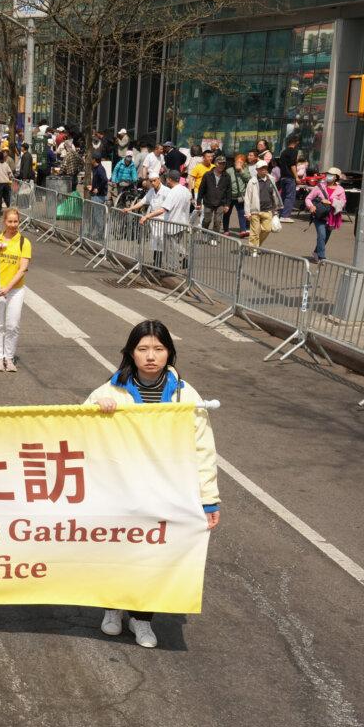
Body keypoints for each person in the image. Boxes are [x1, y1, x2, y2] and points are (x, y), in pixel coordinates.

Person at [87, 319, 221, 648]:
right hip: (120, 491)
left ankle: (143, 618)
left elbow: (203, 449)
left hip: (167, 491)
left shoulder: (187, 396)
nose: (151, 356)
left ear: (169, 353)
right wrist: (94, 409)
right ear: (131, 353)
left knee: (154, 555)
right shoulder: (111, 390)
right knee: (118, 549)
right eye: (143, 349)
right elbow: (78, 428)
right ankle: (112, 609)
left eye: (158, 349)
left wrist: (209, 500)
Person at [0, 207, 31, 372]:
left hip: (15, 290)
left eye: (16, 221)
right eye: (10, 221)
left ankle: (9, 357)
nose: (13, 225)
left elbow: (22, 269)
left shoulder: (24, 242)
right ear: (4, 222)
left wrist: (8, 287)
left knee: (12, 325)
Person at [304, 167, 346, 263]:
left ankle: (316, 252)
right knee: (322, 235)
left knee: (326, 236)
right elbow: (308, 198)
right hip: (319, 215)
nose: (329, 176)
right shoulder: (319, 186)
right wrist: (311, 206)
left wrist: (331, 201)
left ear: (336, 177)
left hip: (332, 217)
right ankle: (322, 257)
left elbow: (343, 203)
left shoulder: (340, 190)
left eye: (331, 174)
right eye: (328, 173)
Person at [244, 160, 281, 254]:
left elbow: (274, 195)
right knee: (255, 231)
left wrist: (275, 209)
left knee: (267, 229)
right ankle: (253, 249)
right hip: (255, 210)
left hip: (268, 210)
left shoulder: (271, 179)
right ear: (257, 170)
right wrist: (247, 212)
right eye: (261, 169)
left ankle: (255, 246)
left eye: (265, 168)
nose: (264, 170)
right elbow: (247, 198)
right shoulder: (252, 181)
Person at [196, 156, 232, 240]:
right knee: (207, 220)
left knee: (218, 221)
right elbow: (201, 189)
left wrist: (227, 205)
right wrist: (198, 202)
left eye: (223, 164)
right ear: (215, 163)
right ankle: (205, 232)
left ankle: (214, 238)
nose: (221, 165)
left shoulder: (227, 176)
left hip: (221, 202)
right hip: (208, 201)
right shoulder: (207, 175)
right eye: (220, 163)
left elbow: (229, 191)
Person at [275, 135, 300, 220]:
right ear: (296, 142)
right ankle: (285, 216)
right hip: (290, 177)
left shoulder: (283, 152)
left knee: (283, 195)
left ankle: (281, 213)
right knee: (290, 197)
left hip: (283, 176)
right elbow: (292, 164)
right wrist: (296, 177)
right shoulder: (294, 151)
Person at [228, 153, 250, 238]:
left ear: (244, 163)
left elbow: (248, 178)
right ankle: (226, 229)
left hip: (241, 196)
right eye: (237, 162)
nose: (238, 163)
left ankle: (243, 230)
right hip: (230, 195)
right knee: (227, 213)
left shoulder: (245, 169)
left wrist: (241, 170)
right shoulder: (229, 170)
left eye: (241, 162)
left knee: (242, 213)